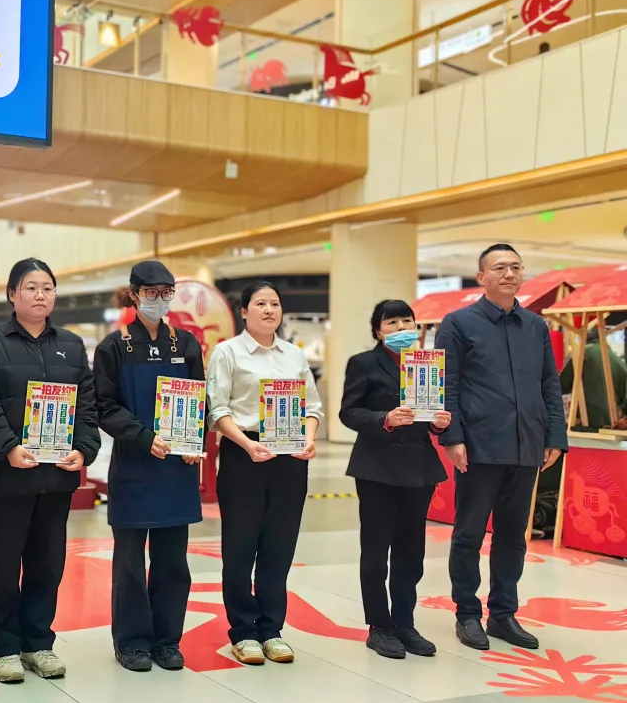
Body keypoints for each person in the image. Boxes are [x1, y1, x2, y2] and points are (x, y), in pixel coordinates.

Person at [0, 258, 101, 683]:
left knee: (47, 565)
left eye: (47, 287)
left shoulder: (72, 345)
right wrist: (7, 447)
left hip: (55, 478)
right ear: (12, 295)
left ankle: (39, 642)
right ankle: (5, 647)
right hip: (7, 477)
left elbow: (87, 404)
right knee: (2, 567)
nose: (40, 295)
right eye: (30, 287)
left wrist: (84, 449)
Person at [436, 244, 568, 651]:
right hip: (479, 445)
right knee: (469, 533)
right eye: (499, 268)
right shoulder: (458, 323)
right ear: (482, 277)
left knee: (513, 536)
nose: (509, 274)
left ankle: (503, 614)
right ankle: (467, 613)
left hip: (526, 444)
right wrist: (453, 436)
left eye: (515, 267)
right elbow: (446, 384)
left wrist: (555, 436)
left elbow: (549, 383)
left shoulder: (535, 326)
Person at [94, 261, 206, 673]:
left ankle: (166, 640)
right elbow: (105, 406)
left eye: (166, 292)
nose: (159, 299)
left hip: (176, 471)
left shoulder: (186, 345)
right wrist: (143, 437)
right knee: (129, 564)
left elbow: (199, 397)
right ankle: (132, 642)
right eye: (151, 292)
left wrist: (194, 440)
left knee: (173, 562)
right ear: (134, 293)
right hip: (134, 468)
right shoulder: (114, 347)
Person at [206, 281, 321, 666]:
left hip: (290, 454)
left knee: (279, 546)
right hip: (245, 454)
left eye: (274, 303)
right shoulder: (227, 352)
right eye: (260, 304)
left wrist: (309, 438)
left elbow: (312, 406)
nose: (269, 310)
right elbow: (217, 410)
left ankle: (272, 629)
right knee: (240, 547)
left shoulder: (294, 355)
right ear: (244, 311)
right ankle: (243, 630)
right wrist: (246, 443)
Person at [340, 300, 452, 660]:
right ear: (378, 331)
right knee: (376, 550)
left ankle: (405, 622)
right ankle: (379, 626)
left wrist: (439, 423)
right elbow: (349, 411)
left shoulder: (427, 365)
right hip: (377, 466)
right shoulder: (364, 363)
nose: (402, 327)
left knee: (411, 551)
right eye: (392, 322)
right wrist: (384, 419)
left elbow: (431, 414)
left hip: (419, 467)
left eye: (407, 320)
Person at [560, 327, 627, 428]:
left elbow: (560, 385)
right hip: (612, 423)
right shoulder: (617, 360)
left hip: (584, 421)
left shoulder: (579, 355)